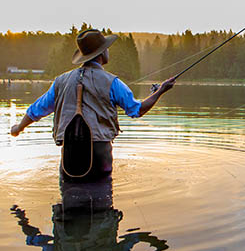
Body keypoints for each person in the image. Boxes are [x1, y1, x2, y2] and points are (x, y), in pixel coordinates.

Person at [10, 29, 175, 179]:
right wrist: (160, 91)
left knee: (68, 201)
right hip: (100, 157)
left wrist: (18, 128)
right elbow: (137, 110)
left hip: (69, 157)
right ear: (102, 53)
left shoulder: (61, 81)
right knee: (102, 202)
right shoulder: (113, 82)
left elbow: (36, 110)